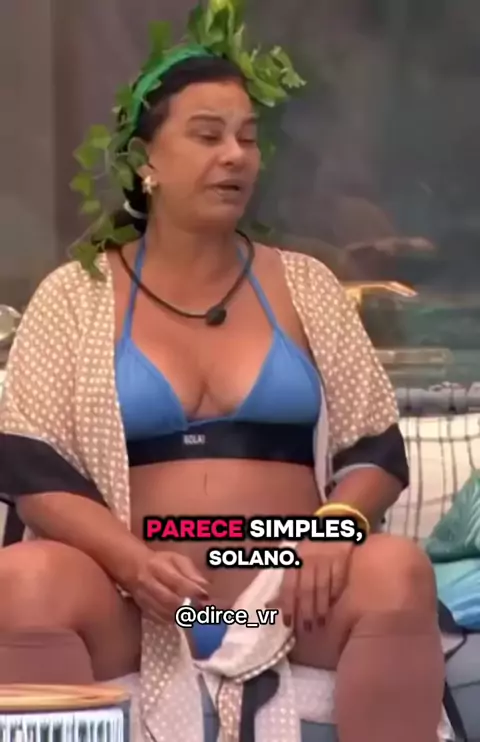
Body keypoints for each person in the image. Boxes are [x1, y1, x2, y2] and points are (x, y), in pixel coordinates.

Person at [0, 2, 445, 741]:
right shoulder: (75, 294)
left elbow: (375, 449)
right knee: (22, 581)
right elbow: (28, 464)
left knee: (396, 569)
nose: (235, 155)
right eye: (207, 136)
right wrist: (131, 562)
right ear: (145, 161)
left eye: (247, 137)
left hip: (286, 585)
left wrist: (333, 529)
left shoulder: (304, 285)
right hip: (133, 591)